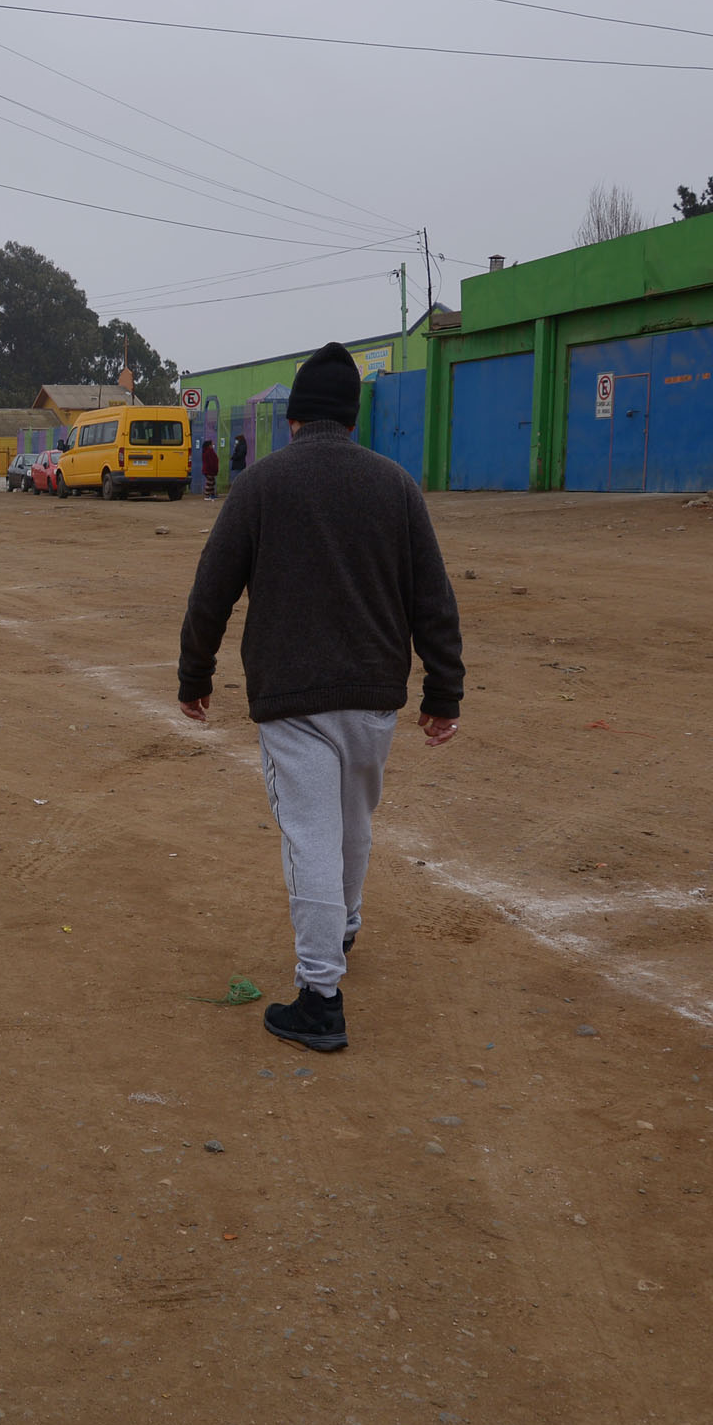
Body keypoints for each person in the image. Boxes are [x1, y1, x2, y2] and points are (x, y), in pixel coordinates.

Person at [175, 342, 463, 1054]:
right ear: (352, 418)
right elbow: (433, 597)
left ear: (296, 416)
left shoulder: (263, 484)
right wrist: (443, 691)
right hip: (372, 695)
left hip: (294, 697)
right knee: (353, 821)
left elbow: (212, 589)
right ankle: (345, 924)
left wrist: (195, 677)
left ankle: (320, 996)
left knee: (309, 833)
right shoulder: (395, 485)